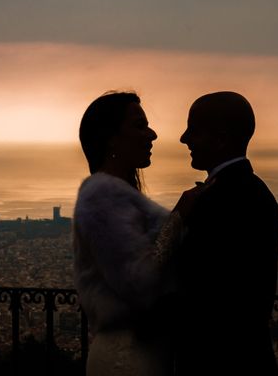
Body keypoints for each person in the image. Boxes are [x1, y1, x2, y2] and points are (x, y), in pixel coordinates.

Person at [73, 91, 192, 376]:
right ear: (112, 138)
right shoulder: (102, 196)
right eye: (139, 126)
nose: (152, 134)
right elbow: (141, 281)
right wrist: (179, 218)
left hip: (140, 352)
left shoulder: (114, 195)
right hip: (126, 358)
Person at [175, 91, 278, 375]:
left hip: (218, 361)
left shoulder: (217, 200)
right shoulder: (256, 191)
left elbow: (195, 287)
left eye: (193, 130)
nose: (184, 139)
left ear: (221, 138)